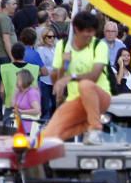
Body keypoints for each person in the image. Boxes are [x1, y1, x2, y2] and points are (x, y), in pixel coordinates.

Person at [43, 11, 113, 144]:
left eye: (92, 31)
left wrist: (70, 77)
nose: (90, 35)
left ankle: (95, 129)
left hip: (99, 97)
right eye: (86, 31)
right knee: (48, 137)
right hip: (76, 100)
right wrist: (63, 66)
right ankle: (84, 126)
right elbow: (56, 80)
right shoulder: (62, 46)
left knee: (85, 85)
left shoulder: (99, 46)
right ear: (76, 29)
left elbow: (94, 76)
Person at [0, 0, 17, 120]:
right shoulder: (5, 19)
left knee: (0, 83)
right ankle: (3, 111)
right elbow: (6, 39)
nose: (15, 6)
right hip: (5, 55)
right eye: (13, 4)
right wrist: (12, 57)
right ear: (6, 5)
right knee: (6, 84)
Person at [10, 70, 41, 136]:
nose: (16, 81)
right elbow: (13, 105)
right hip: (19, 124)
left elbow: (37, 110)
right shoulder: (20, 91)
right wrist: (15, 93)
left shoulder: (31, 93)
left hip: (28, 127)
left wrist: (22, 111)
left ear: (24, 80)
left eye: (18, 79)